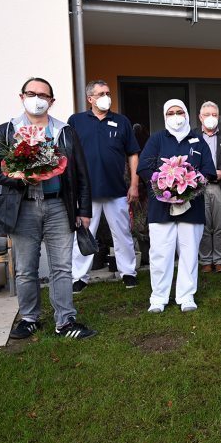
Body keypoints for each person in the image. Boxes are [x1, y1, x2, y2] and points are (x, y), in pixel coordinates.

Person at [0, 77, 97, 339]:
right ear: (21, 97)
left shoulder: (64, 131)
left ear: (52, 101)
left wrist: (84, 211)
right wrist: (15, 177)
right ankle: (29, 318)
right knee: (25, 268)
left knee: (62, 268)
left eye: (43, 95)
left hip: (59, 206)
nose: (37, 99)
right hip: (23, 207)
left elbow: (81, 175)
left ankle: (65, 321)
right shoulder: (7, 131)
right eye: (31, 93)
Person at [137, 99, 216, 313]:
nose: (175, 116)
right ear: (165, 116)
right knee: (161, 252)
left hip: (192, 206)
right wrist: (164, 185)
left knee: (189, 251)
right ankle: (158, 298)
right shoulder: (156, 139)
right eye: (171, 112)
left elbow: (209, 170)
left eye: (179, 111)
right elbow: (144, 167)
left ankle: (186, 295)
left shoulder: (198, 141)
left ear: (187, 114)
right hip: (160, 207)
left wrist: (189, 187)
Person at [68, 80, 141, 293]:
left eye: (108, 92)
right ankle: (79, 277)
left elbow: (133, 154)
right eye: (101, 93)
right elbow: (68, 154)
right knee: (83, 234)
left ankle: (128, 273)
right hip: (85, 191)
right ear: (90, 98)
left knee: (122, 233)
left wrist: (134, 184)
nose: (106, 96)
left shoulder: (121, 121)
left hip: (116, 189)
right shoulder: (76, 121)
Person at [197, 101, 221, 274]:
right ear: (200, 117)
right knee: (203, 227)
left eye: (214, 114)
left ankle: (220, 261)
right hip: (200, 187)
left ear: (218, 117)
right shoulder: (193, 137)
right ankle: (206, 261)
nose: (210, 118)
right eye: (207, 115)